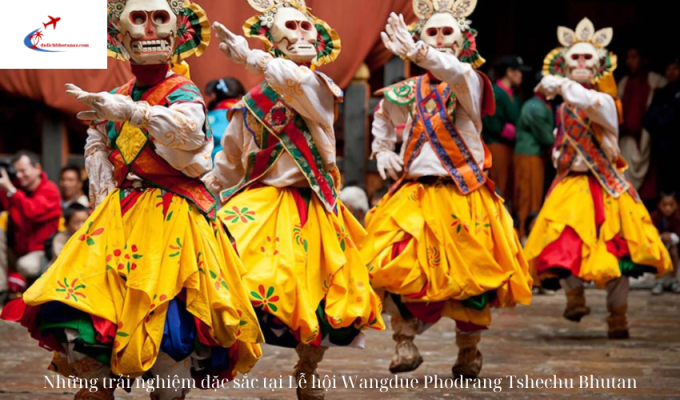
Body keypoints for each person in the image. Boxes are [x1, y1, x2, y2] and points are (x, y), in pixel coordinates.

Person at [0, 2, 263, 399]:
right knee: (91, 305)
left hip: (172, 219)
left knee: (168, 322)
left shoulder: (183, 91)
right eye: (137, 20)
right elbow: (99, 152)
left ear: (176, 36)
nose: (149, 29)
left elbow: (191, 136)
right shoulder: (113, 97)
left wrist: (133, 113)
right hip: (119, 218)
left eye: (160, 19)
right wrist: (102, 198)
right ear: (120, 38)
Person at [204, 1, 384, 399]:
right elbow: (230, 161)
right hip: (262, 205)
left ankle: (307, 367)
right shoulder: (248, 106)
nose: (303, 34)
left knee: (317, 293)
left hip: (312, 205)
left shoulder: (319, 88)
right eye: (292, 27)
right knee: (232, 271)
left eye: (308, 27)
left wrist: (253, 57)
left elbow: (296, 88)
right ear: (273, 39)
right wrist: (207, 190)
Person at [363, 2, 532, 379]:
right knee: (397, 265)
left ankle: (468, 351)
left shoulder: (468, 82)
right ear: (418, 37)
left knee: (471, 276)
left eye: (447, 33)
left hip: (463, 196)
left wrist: (419, 52)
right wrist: (383, 151)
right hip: (415, 196)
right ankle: (403, 341)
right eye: (430, 33)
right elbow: (383, 119)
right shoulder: (405, 92)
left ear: (464, 41)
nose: (439, 40)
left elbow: (452, 71)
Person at [525, 18, 671, 339]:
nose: (579, 62)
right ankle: (574, 296)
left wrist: (560, 85)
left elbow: (586, 102)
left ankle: (617, 317)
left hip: (605, 186)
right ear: (563, 62)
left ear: (600, 65)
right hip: (569, 186)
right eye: (573, 57)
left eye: (587, 57)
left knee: (616, 253)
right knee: (560, 245)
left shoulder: (605, 100)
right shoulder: (562, 108)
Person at [0, 151, 61, 300]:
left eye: (23, 171)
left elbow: (33, 211)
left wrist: (11, 191)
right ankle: (1, 290)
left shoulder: (50, 189)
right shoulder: (17, 189)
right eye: (16, 171)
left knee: (25, 265)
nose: (19, 176)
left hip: (40, 253)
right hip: (17, 249)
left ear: (38, 169)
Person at [618, 47, 667, 204]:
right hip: (626, 142)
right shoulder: (623, 83)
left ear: (643, 59)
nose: (629, 62)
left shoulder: (655, 81)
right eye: (627, 58)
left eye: (634, 57)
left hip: (646, 144)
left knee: (647, 192)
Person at [482, 55, 530, 201]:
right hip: (496, 146)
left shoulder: (515, 95)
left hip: (510, 147)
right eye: (519, 71)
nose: (521, 75)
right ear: (509, 72)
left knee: (510, 186)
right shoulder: (495, 92)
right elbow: (493, 123)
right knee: (499, 184)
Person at [514, 73, 555, 239]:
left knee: (534, 194)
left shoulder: (541, 104)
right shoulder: (534, 107)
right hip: (528, 155)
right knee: (527, 195)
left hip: (535, 155)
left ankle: (530, 232)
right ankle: (523, 232)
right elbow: (545, 135)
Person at [644, 57, 680, 195]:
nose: (671, 72)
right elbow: (647, 120)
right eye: (669, 68)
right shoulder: (660, 93)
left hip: (677, 148)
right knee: (663, 188)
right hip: (662, 150)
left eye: (676, 68)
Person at [205, 77, 246, 159]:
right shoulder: (241, 114)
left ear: (215, 96)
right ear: (240, 96)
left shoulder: (205, 116)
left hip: (207, 167)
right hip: (235, 166)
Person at [650, 192, 680, 294]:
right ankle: (659, 281)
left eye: (671, 205)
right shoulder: (654, 216)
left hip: (674, 246)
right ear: (659, 205)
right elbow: (649, 233)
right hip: (658, 246)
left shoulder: (678, 217)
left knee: (674, 250)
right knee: (659, 251)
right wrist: (661, 237)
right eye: (664, 205)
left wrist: (671, 237)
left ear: (677, 205)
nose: (668, 208)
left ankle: (674, 280)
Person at [45, 203, 89, 268]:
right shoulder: (60, 239)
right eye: (76, 222)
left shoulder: (92, 236)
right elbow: (63, 262)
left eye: (85, 222)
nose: (81, 226)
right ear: (66, 225)